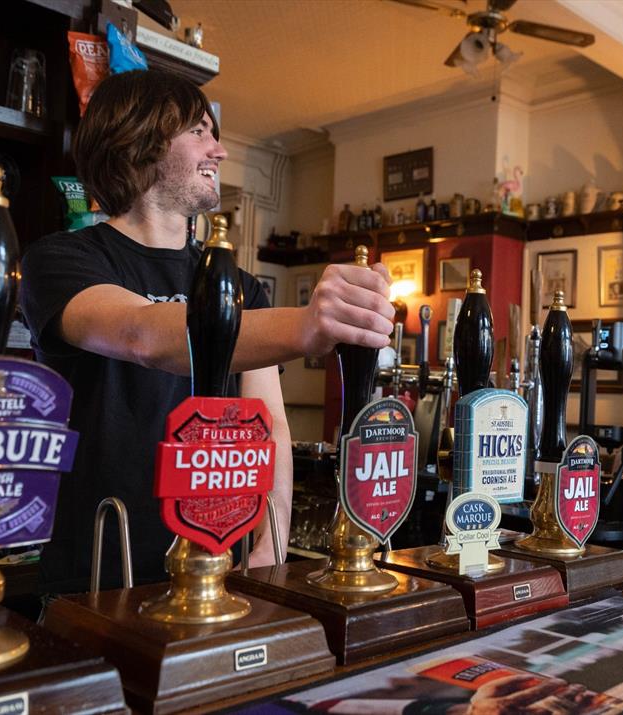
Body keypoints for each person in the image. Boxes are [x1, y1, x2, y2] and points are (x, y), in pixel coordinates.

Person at [20, 69, 394, 595]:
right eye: (198, 132)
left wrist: (273, 544)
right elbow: (142, 335)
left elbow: (272, 428)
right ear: (138, 141)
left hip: (222, 574)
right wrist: (309, 323)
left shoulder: (238, 286)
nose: (218, 151)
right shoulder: (62, 260)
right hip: (101, 574)